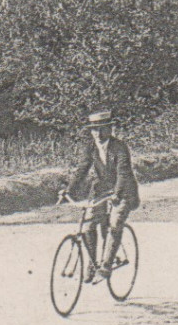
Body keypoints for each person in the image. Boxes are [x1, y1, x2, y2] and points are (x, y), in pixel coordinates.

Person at [59, 109, 141, 278]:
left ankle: (106, 265)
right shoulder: (90, 148)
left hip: (123, 190)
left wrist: (117, 194)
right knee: (88, 225)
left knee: (115, 223)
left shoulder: (119, 147)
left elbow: (123, 172)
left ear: (110, 129)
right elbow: (82, 169)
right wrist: (69, 191)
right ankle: (92, 262)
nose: (97, 133)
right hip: (101, 189)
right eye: (94, 129)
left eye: (101, 129)